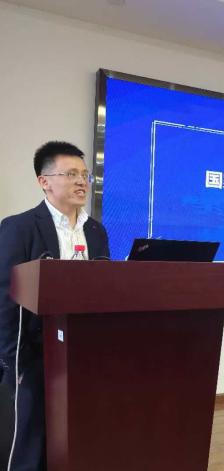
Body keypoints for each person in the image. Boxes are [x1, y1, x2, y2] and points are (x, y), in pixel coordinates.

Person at [0, 141, 110, 470]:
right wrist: (11, 359)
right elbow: (5, 294)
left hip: (84, 354)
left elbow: (106, 288)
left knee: (75, 441)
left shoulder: (95, 231)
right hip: (32, 355)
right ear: (44, 181)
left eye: (85, 175)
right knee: (30, 446)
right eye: (71, 174)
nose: (81, 182)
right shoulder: (19, 227)